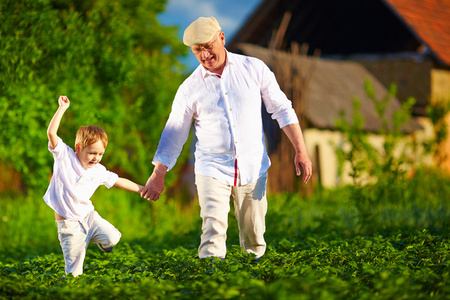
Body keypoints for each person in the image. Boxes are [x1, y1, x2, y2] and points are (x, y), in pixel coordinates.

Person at [141, 17, 312, 261]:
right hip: (211, 168)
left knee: (254, 236)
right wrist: (158, 174)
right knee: (212, 232)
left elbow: (282, 109)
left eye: (208, 46)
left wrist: (300, 150)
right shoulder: (189, 88)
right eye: (197, 50)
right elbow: (174, 133)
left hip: (253, 166)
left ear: (221, 38)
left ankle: (255, 282)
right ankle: (212, 284)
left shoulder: (253, 68)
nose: (204, 54)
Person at [44, 95, 145, 277]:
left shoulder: (99, 170)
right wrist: (62, 108)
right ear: (78, 148)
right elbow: (51, 133)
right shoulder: (64, 156)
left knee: (113, 238)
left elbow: (119, 181)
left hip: (89, 217)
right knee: (74, 272)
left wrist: (142, 189)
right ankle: (74, 291)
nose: (96, 158)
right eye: (92, 153)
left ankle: (101, 242)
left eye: (100, 154)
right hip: (69, 224)